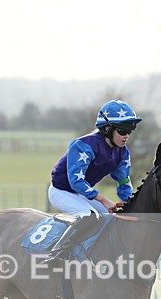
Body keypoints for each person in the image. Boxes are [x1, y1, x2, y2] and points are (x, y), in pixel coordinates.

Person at [43, 99, 142, 263]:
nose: (126, 135)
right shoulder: (83, 146)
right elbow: (76, 182)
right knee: (89, 216)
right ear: (106, 128)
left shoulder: (123, 153)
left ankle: (97, 255)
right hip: (62, 191)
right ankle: (56, 255)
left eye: (130, 129)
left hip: (82, 194)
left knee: (113, 218)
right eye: (122, 129)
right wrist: (103, 199)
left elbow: (124, 182)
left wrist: (131, 204)